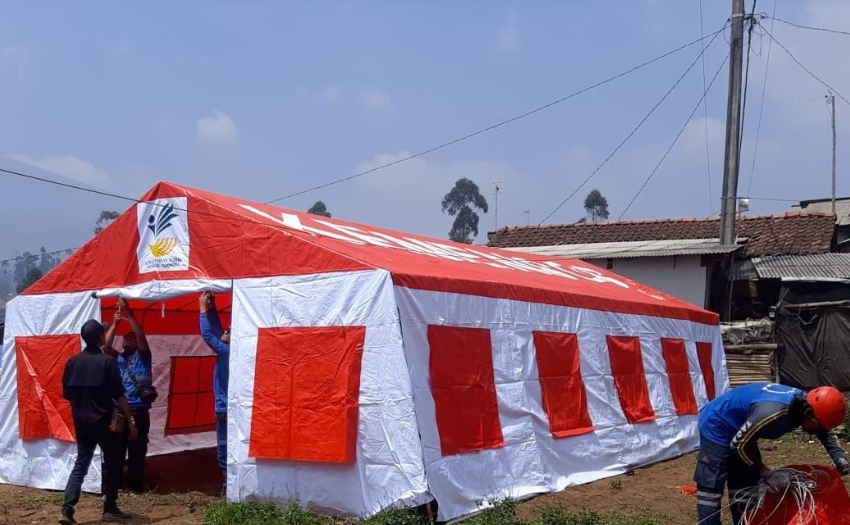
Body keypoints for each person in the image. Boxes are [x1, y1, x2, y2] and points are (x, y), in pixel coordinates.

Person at [694, 382, 850, 525]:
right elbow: (739, 445)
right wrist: (767, 473)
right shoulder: (772, 412)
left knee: (746, 487)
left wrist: (839, 457)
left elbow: (823, 431)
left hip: (743, 432)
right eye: (818, 426)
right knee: (711, 491)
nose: (817, 431)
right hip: (719, 424)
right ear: (809, 414)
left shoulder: (804, 405)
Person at [61, 319, 138, 525]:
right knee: (114, 463)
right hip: (106, 423)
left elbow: (67, 393)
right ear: (100, 338)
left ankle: (67, 509)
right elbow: (119, 395)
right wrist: (130, 420)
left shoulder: (72, 362)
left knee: (81, 463)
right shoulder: (107, 362)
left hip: (82, 424)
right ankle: (110, 508)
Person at [104, 298, 153, 493]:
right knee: (117, 450)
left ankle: (135, 487)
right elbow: (105, 347)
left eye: (130, 337)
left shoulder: (143, 356)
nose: (128, 339)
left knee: (137, 451)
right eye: (125, 338)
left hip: (139, 411)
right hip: (120, 412)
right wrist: (115, 324)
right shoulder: (118, 357)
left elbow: (141, 336)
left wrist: (129, 313)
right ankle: (115, 487)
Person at [199, 291, 230, 493]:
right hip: (236, 406)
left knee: (223, 443)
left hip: (225, 407)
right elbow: (218, 331)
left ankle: (227, 481)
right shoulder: (233, 349)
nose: (225, 331)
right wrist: (213, 307)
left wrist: (202, 310)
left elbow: (209, 334)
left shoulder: (226, 351)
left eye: (229, 330)